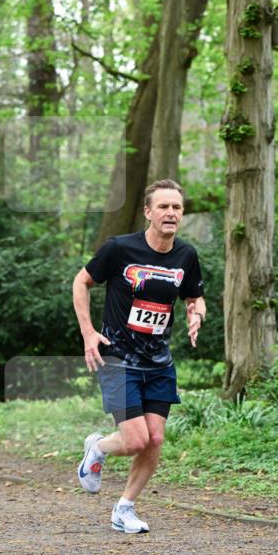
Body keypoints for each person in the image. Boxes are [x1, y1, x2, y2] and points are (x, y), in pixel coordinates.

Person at [72, 179, 206, 533]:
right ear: (148, 212)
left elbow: (194, 296)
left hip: (159, 361)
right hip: (118, 358)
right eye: (163, 206)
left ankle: (124, 508)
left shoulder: (186, 255)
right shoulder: (119, 249)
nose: (171, 213)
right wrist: (88, 333)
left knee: (156, 439)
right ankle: (98, 447)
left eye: (176, 207)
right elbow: (80, 282)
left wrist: (196, 313)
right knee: (135, 441)